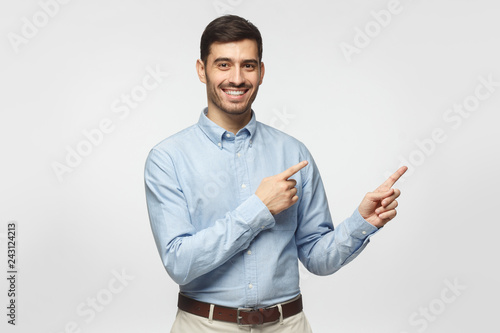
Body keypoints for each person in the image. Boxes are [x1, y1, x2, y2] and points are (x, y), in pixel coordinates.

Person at [144, 14, 407, 332]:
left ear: (261, 71)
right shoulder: (168, 158)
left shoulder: (293, 152)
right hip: (205, 326)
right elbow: (180, 263)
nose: (237, 78)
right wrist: (259, 207)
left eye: (248, 65)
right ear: (203, 70)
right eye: (224, 65)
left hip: (288, 325)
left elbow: (316, 257)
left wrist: (361, 223)